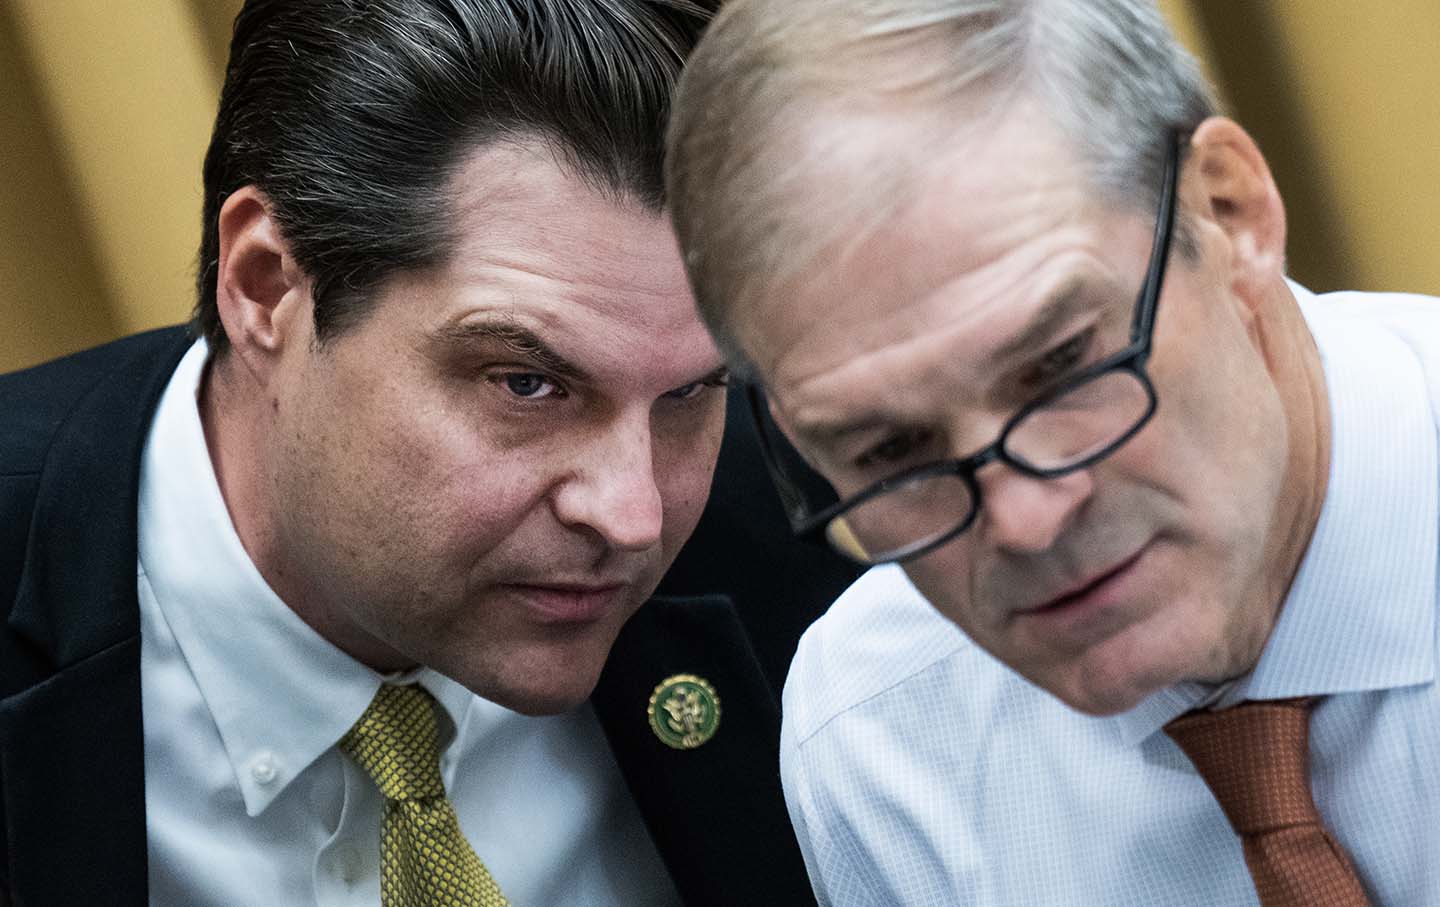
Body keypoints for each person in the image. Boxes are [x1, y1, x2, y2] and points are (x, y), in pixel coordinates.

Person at [0, 2, 861, 905]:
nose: (634, 513)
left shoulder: (788, 527)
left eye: (691, 391)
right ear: (265, 287)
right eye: (527, 384)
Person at [665, 0, 1440, 903]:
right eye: (893, 451)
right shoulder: (882, 737)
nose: (1025, 520)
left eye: (1061, 368)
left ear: (1230, 216)